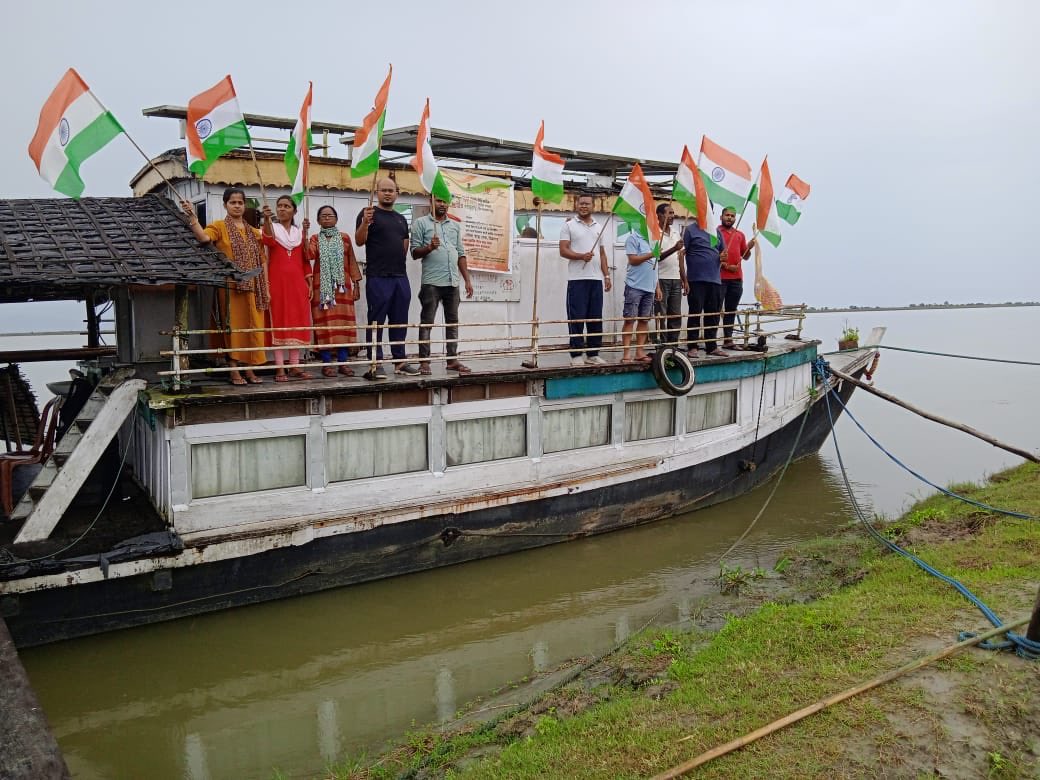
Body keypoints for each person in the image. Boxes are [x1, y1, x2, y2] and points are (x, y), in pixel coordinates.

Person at [181, 188, 270, 385]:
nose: (237, 206)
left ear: (244, 205)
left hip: (255, 286)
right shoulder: (219, 226)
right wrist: (193, 217)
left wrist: (267, 287)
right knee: (233, 328)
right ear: (225, 205)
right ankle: (234, 371)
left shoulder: (253, 231)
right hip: (230, 287)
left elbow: (263, 259)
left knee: (253, 328)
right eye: (233, 202)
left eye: (240, 202)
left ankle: (249, 370)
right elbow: (203, 239)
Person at [355, 177, 420, 379]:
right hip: (378, 276)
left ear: (397, 193)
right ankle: (375, 363)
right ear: (377, 192)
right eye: (383, 190)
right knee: (376, 321)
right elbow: (359, 241)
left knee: (399, 321)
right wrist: (365, 223)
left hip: (400, 277)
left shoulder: (401, 219)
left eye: (391, 190)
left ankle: (400, 362)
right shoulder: (368, 214)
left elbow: (404, 245)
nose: (387, 193)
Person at [410, 197, 474, 375]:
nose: (442, 204)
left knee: (452, 323)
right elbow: (414, 253)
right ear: (432, 202)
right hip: (431, 283)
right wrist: (429, 247)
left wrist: (467, 279)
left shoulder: (454, 226)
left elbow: (460, 254)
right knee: (427, 323)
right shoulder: (420, 223)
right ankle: (424, 362)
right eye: (438, 200)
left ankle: (452, 360)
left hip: (452, 282)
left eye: (445, 201)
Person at [261, 196, 313, 381]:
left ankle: (295, 366)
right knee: (280, 322)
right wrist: (267, 219)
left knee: (297, 322)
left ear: (294, 211)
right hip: (277, 284)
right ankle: (280, 368)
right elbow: (268, 241)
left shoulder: (299, 233)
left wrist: (309, 281)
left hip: (298, 284)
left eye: (286, 206)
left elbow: (306, 259)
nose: (282, 209)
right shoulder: (272, 229)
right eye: (279, 206)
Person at [307, 205, 363, 377]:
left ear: (336, 219)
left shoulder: (345, 238)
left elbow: (352, 260)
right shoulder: (315, 238)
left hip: (342, 289)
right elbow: (309, 255)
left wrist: (356, 284)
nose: (326, 218)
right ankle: (326, 364)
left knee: (343, 326)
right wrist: (303, 233)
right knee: (323, 325)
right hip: (321, 290)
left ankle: (343, 363)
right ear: (318, 220)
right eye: (323, 216)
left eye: (330, 215)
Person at [558, 193, 612, 366]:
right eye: (581, 203)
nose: (584, 206)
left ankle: (593, 354)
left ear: (593, 206)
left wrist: (607, 275)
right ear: (576, 205)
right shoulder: (569, 225)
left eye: (587, 204)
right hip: (577, 279)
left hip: (596, 279)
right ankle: (576, 355)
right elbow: (563, 250)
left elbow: (602, 254)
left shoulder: (599, 227)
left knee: (595, 318)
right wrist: (581, 256)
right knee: (577, 318)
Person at [683, 214, 726, 357]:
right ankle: (693, 346)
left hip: (714, 279)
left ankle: (712, 346)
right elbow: (681, 252)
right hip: (695, 279)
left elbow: (723, 253)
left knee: (712, 315)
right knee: (695, 313)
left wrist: (723, 257)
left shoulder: (716, 231)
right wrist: (684, 279)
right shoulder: (690, 230)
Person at [620, 226, 663, 364]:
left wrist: (657, 287)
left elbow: (655, 266)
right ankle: (626, 354)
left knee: (644, 320)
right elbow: (633, 260)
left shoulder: (655, 240)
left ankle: (639, 352)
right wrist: (652, 254)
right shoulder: (633, 238)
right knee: (629, 319)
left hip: (650, 288)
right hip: (634, 286)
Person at [717, 207, 755, 348]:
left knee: (731, 310)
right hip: (719, 278)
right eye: (727, 215)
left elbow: (745, 257)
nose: (730, 218)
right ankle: (712, 341)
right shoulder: (716, 233)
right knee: (716, 309)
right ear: (721, 217)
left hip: (736, 279)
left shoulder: (739, 235)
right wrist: (727, 266)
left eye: (732, 216)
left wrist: (749, 247)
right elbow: (712, 255)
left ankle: (728, 340)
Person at [653, 203, 687, 345]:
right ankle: (663, 344)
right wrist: (674, 248)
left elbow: (680, 258)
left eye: (673, 213)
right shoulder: (654, 233)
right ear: (659, 215)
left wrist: (684, 279)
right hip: (661, 278)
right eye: (669, 213)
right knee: (661, 314)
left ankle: (674, 344)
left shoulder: (675, 232)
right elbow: (656, 257)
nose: (672, 216)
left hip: (675, 278)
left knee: (675, 314)